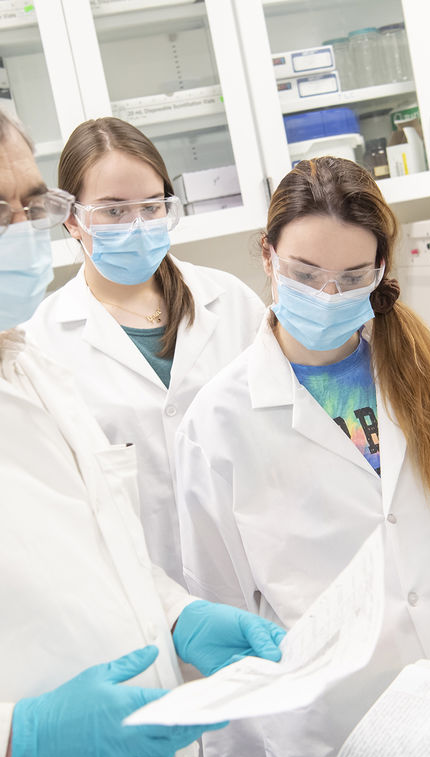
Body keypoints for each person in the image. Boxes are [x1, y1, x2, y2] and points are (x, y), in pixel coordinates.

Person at [175, 156, 430, 757]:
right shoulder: (218, 422)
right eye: (306, 273)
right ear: (268, 255)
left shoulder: (418, 375)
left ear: (380, 272)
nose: (329, 295)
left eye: (352, 276)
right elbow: (219, 624)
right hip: (338, 732)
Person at [0, 109, 286, 757]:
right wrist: (20, 733)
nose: (21, 234)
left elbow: (103, 543)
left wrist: (177, 615)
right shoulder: (48, 341)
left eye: (28, 205)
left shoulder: (28, 369)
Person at [26, 117, 265, 585]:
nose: (137, 225)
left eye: (151, 207)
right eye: (113, 211)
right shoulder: (43, 342)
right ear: (72, 219)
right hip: (141, 595)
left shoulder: (232, 302)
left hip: (256, 578)